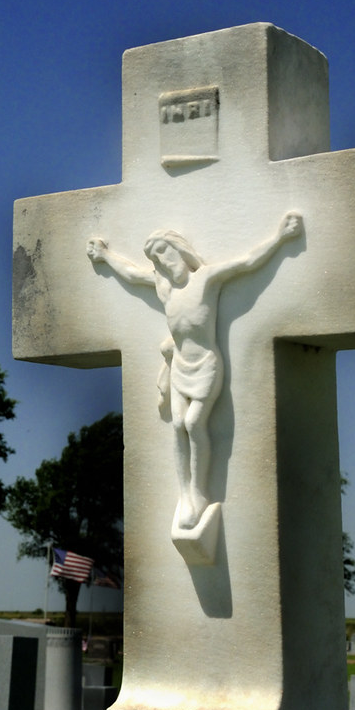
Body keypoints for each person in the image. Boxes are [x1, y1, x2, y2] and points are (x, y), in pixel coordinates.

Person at [87, 212, 303, 530]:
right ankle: (186, 495)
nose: (160, 261)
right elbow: (132, 274)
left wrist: (280, 237)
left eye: (163, 251)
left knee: (193, 423)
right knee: (177, 426)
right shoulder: (164, 289)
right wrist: (105, 256)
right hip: (180, 368)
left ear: (179, 249)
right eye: (155, 258)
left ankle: (200, 492)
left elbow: (246, 262)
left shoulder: (207, 279)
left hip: (205, 365)